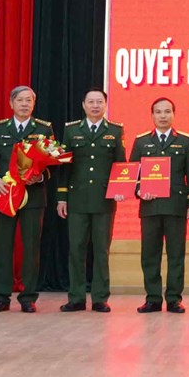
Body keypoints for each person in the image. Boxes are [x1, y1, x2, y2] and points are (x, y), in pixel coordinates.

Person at [0, 86, 54, 313]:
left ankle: (28, 297)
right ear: (11, 103)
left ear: (34, 104)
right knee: (3, 246)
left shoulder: (43, 129)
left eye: (29, 101)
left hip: (33, 197)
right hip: (5, 196)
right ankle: (1, 297)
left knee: (31, 247)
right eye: (20, 100)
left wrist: (39, 176)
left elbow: (53, 161)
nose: (25, 104)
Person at [57, 88, 126, 313]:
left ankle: (100, 298)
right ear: (84, 105)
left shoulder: (115, 131)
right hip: (77, 200)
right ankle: (76, 297)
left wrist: (121, 189)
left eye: (99, 102)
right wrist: (61, 198)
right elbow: (63, 168)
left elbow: (121, 166)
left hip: (104, 200)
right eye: (91, 102)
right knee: (76, 249)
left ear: (105, 105)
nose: (95, 106)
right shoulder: (71, 130)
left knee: (101, 250)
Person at [129, 98, 189, 314]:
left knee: (176, 254)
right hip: (150, 207)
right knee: (150, 254)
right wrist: (139, 190)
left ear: (173, 114)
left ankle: (174, 299)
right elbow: (131, 174)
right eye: (158, 112)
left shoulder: (185, 141)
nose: (163, 116)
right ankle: (152, 298)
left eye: (167, 111)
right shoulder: (141, 142)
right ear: (152, 115)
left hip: (176, 206)